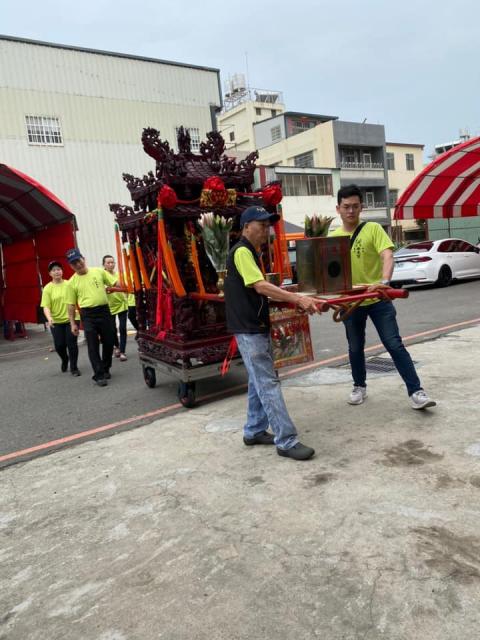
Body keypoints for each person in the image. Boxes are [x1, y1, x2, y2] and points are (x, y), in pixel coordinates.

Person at [224, 205, 320, 461]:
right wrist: (297, 299)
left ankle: (254, 430)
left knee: (259, 379)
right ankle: (286, 441)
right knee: (268, 383)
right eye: (262, 225)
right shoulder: (242, 251)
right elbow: (260, 286)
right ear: (246, 227)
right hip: (248, 328)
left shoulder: (251, 252)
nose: (266, 230)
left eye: (268, 226)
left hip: (253, 325)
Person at [329, 184, 436, 410]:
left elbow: (388, 256)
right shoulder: (333, 237)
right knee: (355, 347)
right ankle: (359, 386)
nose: (351, 211)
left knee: (393, 344)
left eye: (355, 206)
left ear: (362, 207)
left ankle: (416, 391)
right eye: (346, 207)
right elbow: (331, 272)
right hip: (351, 303)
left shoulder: (373, 229)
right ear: (338, 208)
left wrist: (384, 282)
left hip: (378, 298)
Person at [65, 248, 117, 387]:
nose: (78, 264)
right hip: (88, 315)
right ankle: (98, 375)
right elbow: (70, 305)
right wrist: (72, 324)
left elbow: (115, 283)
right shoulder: (71, 283)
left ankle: (105, 368)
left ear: (84, 259)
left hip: (104, 311)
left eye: (79, 260)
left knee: (109, 341)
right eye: (74, 263)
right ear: (71, 266)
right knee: (93, 345)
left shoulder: (99, 272)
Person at [40, 261, 81, 376]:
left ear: (62, 271)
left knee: (72, 344)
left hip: (72, 319)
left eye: (58, 269)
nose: (57, 272)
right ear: (50, 273)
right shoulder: (48, 288)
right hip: (56, 321)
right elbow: (46, 306)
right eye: (54, 270)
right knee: (59, 346)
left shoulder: (69, 284)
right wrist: (49, 318)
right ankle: (65, 359)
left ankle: (74, 367)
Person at [102, 255, 129, 361]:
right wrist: (114, 288)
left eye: (112, 262)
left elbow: (124, 286)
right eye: (108, 263)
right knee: (112, 329)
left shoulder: (119, 275)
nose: (111, 264)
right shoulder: (102, 276)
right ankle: (116, 347)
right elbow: (105, 290)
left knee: (122, 328)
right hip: (109, 306)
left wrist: (115, 289)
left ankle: (122, 351)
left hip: (122, 304)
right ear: (103, 264)